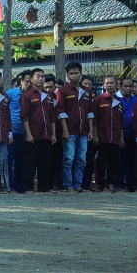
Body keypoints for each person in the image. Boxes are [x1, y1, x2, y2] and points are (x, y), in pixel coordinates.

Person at [56, 61, 93, 193]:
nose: (74, 76)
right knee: (69, 159)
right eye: (71, 74)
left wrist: (91, 131)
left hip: (83, 131)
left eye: (76, 73)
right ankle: (68, 185)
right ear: (67, 75)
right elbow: (60, 111)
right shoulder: (63, 91)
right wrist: (65, 130)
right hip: (70, 131)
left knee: (81, 159)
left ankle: (78, 184)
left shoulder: (87, 91)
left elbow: (90, 112)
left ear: (81, 74)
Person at [20, 68, 57, 193]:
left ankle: (44, 188)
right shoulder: (27, 95)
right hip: (33, 135)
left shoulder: (49, 97)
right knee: (30, 162)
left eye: (42, 76)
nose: (41, 79)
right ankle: (28, 188)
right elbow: (24, 116)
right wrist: (28, 134)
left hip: (46, 134)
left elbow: (52, 117)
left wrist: (53, 134)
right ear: (31, 79)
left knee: (45, 163)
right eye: (38, 76)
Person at [91, 76, 125, 192]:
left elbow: (121, 121)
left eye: (112, 83)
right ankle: (101, 185)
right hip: (102, 137)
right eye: (107, 83)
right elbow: (94, 119)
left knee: (115, 163)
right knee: (101, 163)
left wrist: (121, 137)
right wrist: (95, 135)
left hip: (115, 138)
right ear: (104, 85)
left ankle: (111, 183)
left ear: (116, 85)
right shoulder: (98, 100)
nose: (109, 85)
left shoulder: (119, 102)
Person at [6, 70, 31, 192]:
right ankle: (9, 186)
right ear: (20, 81)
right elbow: (3, 110)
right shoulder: (11, 93)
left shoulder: (33, 95)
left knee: (21, 161)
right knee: (9, 160)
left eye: (31, 82)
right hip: (12, 132)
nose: (29, 84)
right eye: (27, 81)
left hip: (26, 133)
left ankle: (20, 186)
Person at [116, 78, 137, 191]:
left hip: (133, 135)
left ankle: (130, 185)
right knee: (120, 160)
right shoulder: (116, 99)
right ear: (120, 86)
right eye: (126, 86)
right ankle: (119, 184)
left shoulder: (136, 100)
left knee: (131, 161)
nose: (128, 88)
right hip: (120, 135)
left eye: (131, 86)